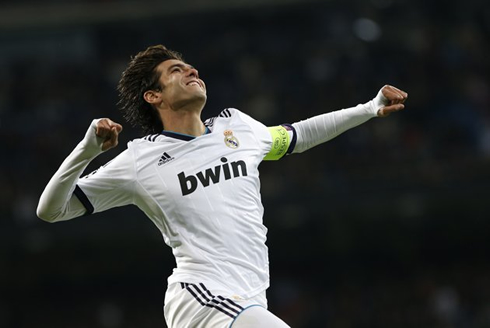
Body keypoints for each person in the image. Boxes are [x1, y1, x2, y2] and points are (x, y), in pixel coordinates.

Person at [37, 45, 408, 328]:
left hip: (250, 300)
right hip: (200, 296)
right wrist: (87, 149)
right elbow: (51, 209)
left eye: (189, 66)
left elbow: (300, 134)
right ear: (154, 96)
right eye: (175, 70)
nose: (191, 70)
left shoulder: (238, 128)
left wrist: (368, 108)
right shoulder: (140, 160)